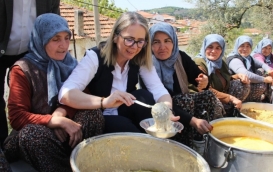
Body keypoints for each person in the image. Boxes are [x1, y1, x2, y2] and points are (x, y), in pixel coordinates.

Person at [3, 14, 105, 172]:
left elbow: (83, 95)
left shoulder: (69, 63)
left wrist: (62, 113)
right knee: (33, 134)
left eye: (66, 38)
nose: (64, 45)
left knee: (93, 114)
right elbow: (17, 117)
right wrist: (54, 121)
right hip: (31, 136)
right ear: (41, 39)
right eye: (55, 39)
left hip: (65, 132)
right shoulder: (22, 69)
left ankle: (83, 164)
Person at [59, 12, 176, 134]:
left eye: (140, 41)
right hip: (99, 114)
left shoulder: (139, 58)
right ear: (115, 37)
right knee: (129, 131)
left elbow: (158, 89)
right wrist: (104, 102)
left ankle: (153, 140)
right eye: (129, 39)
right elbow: (65, 94)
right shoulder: (95, 57)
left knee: (144, 96)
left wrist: (167, 111)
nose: (134, 47)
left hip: (123, 110)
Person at [148, 22, 221, 148]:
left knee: (207, 95)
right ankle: (183, 145)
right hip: (161, 109)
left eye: (167, 41)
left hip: (185, 105)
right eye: (156, 42)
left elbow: (198, 77)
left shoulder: (180, 57)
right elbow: (154, 100)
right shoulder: (147, 64)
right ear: (150, 44)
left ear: (174, 42)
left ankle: (199, 138)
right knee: (184, 100)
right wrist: (192, 120)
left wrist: (204, 81)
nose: (162, 47)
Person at [0, 0, 60, 150]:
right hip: (2, 47)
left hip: (31, 52)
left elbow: (54, 24)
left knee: (34, 101)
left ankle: (22, 144)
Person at [194, 34, 250, 116]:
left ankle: (230, 112)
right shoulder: (199, 63)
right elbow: (205, 89)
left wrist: (237, 76)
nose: (213, 51)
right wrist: (231, 98)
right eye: (210, 47)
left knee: (242, 84)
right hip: (205, 99)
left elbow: (224, 79)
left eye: (218, 48)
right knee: (214, 101)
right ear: (205, 47)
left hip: (221, 95)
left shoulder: (220, 62)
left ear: (222, 49)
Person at [226, 35, 273, 102]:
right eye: (242, 46)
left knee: (261, 72)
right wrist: (265, 79)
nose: (245, 49)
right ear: (237, 46)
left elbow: (262, 64)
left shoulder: (249, 58)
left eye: (248, 46)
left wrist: (269, 70)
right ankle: (239, 106)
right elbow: (245, 74)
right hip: (235, 91)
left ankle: (263, 101)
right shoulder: (234, 59)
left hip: (247, 86)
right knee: (261, 80)